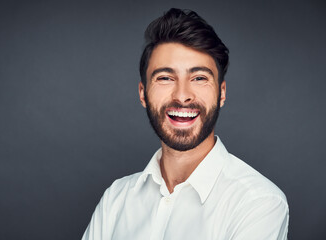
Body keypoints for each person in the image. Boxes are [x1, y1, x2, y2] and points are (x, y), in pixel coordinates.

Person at [81, 8, 289, 240]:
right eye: (165, 78)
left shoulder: (258, 202)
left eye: (199, 78)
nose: (182, 95)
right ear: (143, 94)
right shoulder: (116, 199)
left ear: (221, 93)